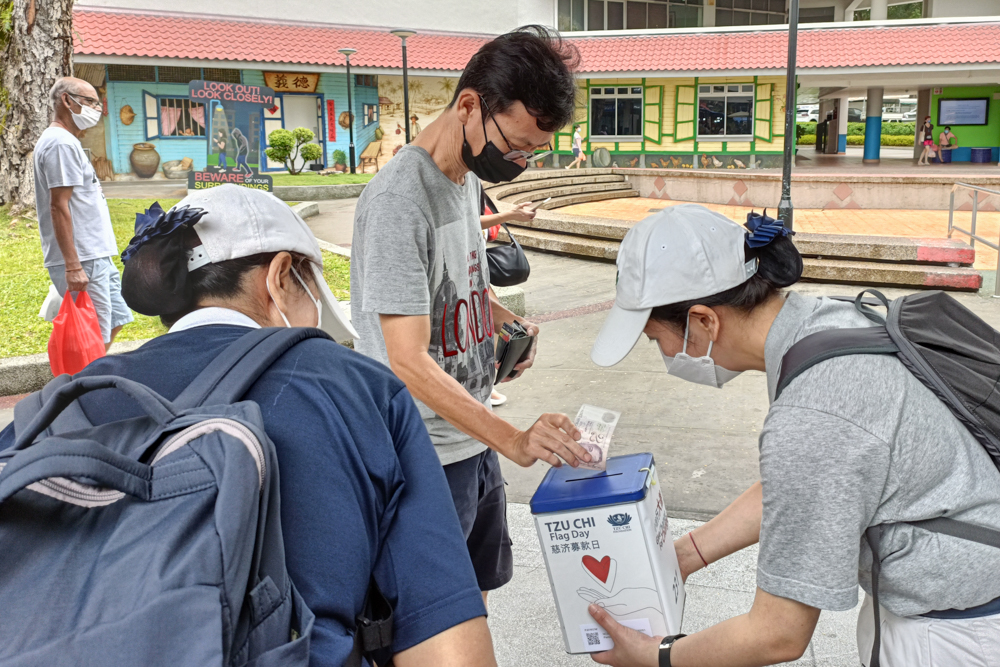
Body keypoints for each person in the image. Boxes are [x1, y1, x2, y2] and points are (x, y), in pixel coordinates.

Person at [0, 184, 499, 667]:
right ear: (281, 275)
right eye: (310, 287)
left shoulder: (55, 407)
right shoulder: (358, 389)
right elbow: (449, 652)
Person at [585, 204, 1000, 667]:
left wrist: (655, 655)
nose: (662, 352)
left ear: (704, 321)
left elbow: (776, 634)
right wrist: (683, 555)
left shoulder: (814, 409)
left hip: (959, 636)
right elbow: (805, 483)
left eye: (654, 338)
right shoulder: (827, 320)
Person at [351, 25, 590, 604]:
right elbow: (406, 360)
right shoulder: (399, 201)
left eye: (533, 153)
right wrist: (514, 440)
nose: (520, 163)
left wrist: (504, 321)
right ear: (468, 106)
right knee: (431, 616)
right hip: (426, 456)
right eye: (516, 147)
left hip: (471, 440)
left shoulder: (464, 179)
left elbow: (459, 285)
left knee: (477, 596)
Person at [33, 77, 133, 351]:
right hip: (83, 257)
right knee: (91, 333)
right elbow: (58, 205)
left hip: (96, 253)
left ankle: (89, 369)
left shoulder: (68, 142)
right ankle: (82, 375)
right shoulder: (60, 144)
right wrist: (73, 266)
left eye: (97, 103)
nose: (96, 109)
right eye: (89, 101)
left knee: (115, 319)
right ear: (67, 100)